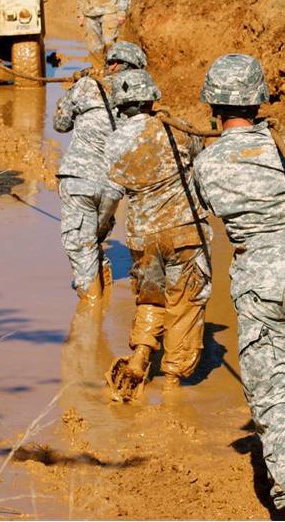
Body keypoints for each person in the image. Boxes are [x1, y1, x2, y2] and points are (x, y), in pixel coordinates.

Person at [192, 54, 285, 521]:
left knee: (273, 398)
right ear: (259, 100)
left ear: (214, 105)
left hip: (261, 288)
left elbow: (212, 207)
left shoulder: (207, 163)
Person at [101, 69, 211, 395]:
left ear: (119, 105)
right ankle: (173, 384)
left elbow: (112, 191)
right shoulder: (176, 129)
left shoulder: (114, 142)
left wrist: (101, 226)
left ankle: (141, 355)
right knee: (185, 306)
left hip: (142, 237)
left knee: (150, 297)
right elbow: (201, 156)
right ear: (152, 96)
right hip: (184, 232)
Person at [53, 40, 148, 301]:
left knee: (80, 245)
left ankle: (90, 315)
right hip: (114, 187)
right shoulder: (141, 98)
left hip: (79, 180)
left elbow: (60, 124)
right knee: (93, 236)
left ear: (113, 64)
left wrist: (71, 90)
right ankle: (101, 283)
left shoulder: (87, 86)